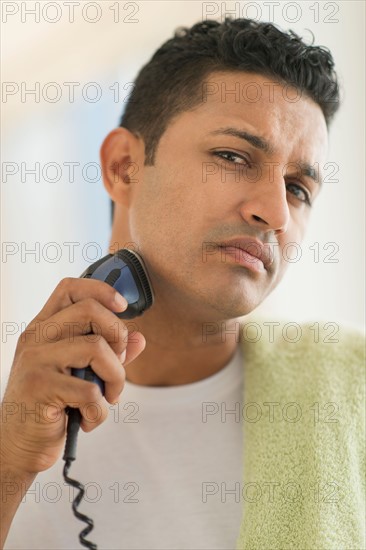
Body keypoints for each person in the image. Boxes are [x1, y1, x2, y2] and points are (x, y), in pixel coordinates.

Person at [1, 17, 364, 550]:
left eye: (297, 187)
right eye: (233, 157)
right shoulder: (13, 429)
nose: (274, 213)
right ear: (124, 166)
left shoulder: (352, 399)